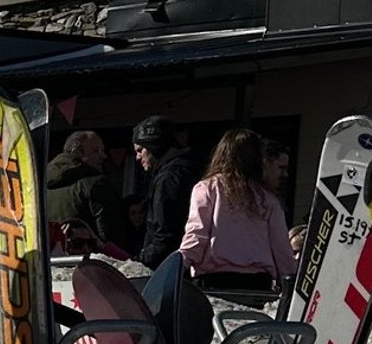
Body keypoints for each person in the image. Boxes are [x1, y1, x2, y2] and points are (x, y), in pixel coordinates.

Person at [179, 127, 295, 288]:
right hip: (257, 282)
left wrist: (177, 266)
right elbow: (281, 247)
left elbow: (197, 235)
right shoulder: (267, 198)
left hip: (214, 280)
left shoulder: (208, 188)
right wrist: (290, 280)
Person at [43, 128, 131, 253]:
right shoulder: (95, 183)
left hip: (54, 262)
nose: (104, 156)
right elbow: (112, 234)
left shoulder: (40, 182)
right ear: (76, 152)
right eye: (96, 151)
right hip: (92, 263)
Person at [132, 117, 196, 267]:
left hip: (169, 266)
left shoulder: (169, 177)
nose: (137, 157)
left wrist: (140, 262)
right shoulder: (184, 169)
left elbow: (166, 232)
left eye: (140, 150)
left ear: (153, 146)